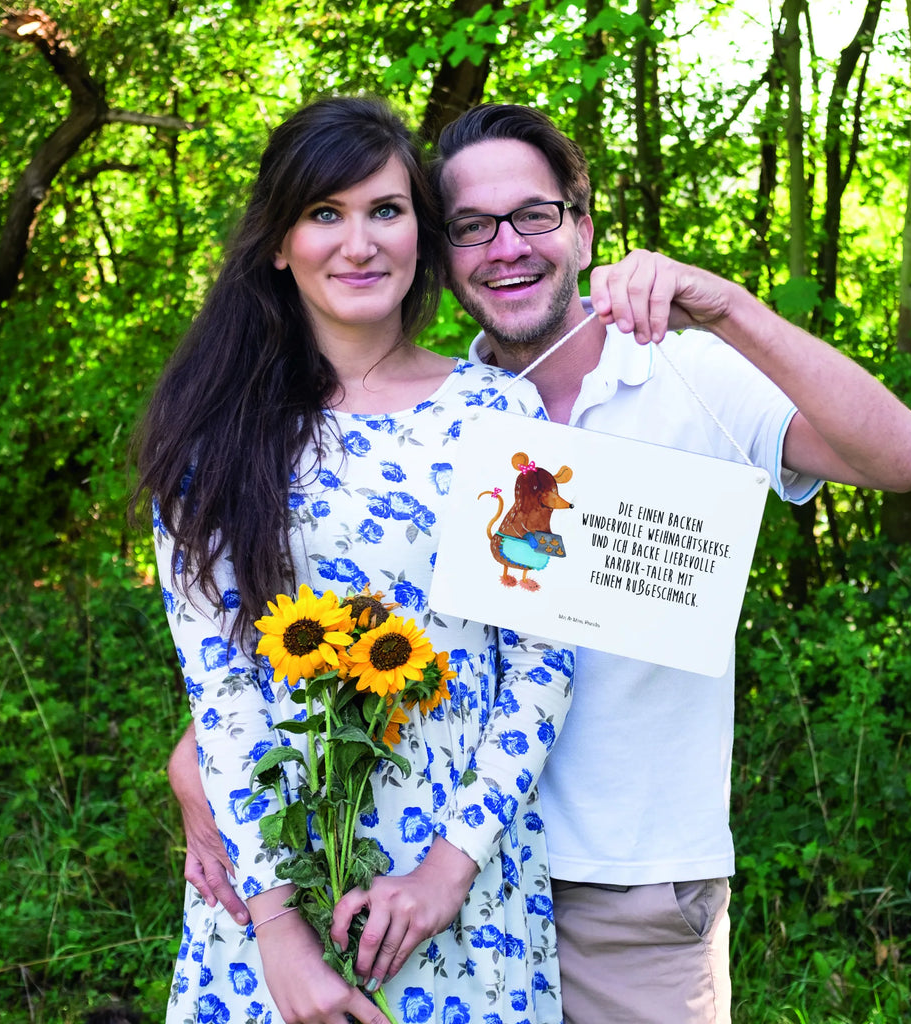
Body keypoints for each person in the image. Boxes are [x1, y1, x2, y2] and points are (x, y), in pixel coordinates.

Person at [171, 102, 911, 1024]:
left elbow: (907, 461)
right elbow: (295, 634)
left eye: (534, 215)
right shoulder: (415, 419)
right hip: (385, 875)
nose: (506, 247)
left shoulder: (676, 374)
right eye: (471, 226)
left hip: (619, 887)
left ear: (581, 226)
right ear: (443, 251)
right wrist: (205, 772)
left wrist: (728, 306)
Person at [133, 96, 577, 1024]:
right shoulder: (214, 436)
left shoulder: (501, 416)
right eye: (324, 214)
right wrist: (280, 936)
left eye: (386, 210)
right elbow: (221, 690)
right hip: (272, 887)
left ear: (421, 229)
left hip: (461, 888)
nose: (359, 242)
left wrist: (447, 873)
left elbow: (543, 661)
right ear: (277, 243)